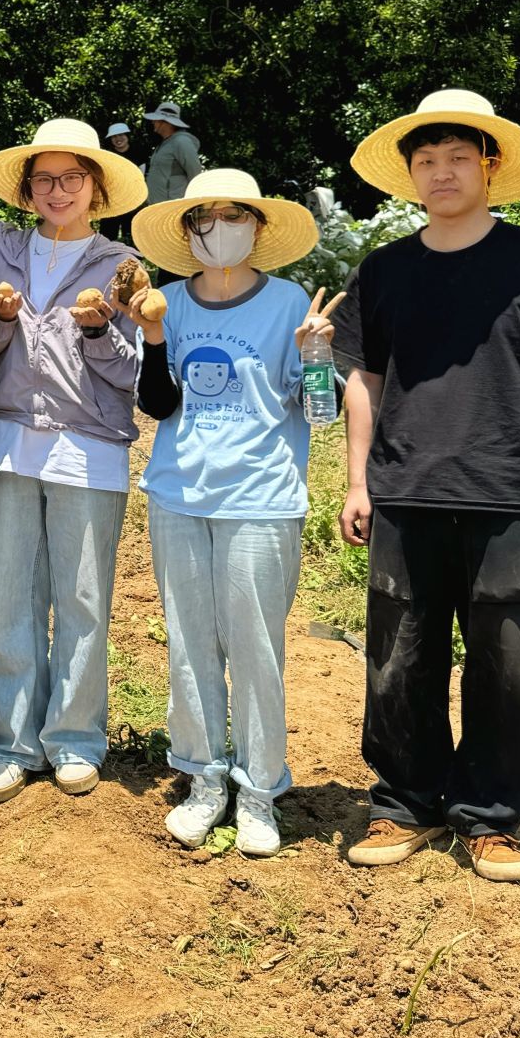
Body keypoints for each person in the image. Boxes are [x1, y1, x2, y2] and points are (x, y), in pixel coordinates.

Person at [334, 89, 520, 883]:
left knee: (505, 662)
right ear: (410, 175)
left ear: (490, 166)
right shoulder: (384, 270)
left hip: (509, 494)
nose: (442, 172)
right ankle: (405, 803)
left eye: (459, 157)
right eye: (427, 160)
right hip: (404, 491)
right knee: (399, 658)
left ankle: (489, 817)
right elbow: (363, 382)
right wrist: (357, 482)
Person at [130, 169, 333, 856]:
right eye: (204, 218)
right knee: (188, 644)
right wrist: (153, 335)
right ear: (188, 232)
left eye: (234, 215)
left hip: (262, 498)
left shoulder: (289, 303)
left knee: (255, 648)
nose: (219, 229)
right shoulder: (168, 303)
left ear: (258, 224)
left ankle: (258, 789)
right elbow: (158, 404)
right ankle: (204, 777)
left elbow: (321, 412)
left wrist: (316, 352)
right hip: (179, 495)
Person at [0, 120, 147, 804]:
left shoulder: (121, 265)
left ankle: (74, 739)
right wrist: (0, 321)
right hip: (11, 441)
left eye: (72, 177)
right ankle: (13, 743)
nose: (58, 190)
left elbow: (135, 372)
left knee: (82, 599)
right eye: (43, 178)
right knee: (9, 595)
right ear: (26, 189)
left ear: (95, 187)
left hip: (90, 446)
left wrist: (99, 331)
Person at [142, 101, 203, 207]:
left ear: (166, 122)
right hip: (158, 206)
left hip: (172, 207)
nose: (153, 122)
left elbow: (195, 173)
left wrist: (196, 203)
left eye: (156, 119)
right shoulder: (165, 143)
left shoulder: (182, 142)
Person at [99, 123, 137, 243]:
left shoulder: (138, 152)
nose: (118, 139)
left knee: (131, 234)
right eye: (114, 136)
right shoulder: (107, 156)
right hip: (111, 199)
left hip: (132, 199)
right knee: (107, 234)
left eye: (121, 135)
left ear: (127, 136)